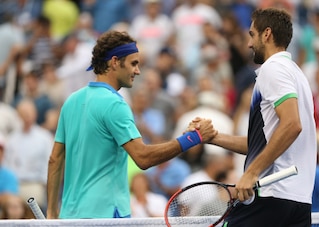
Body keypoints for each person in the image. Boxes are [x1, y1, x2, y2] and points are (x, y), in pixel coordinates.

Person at [46, 30, 217, 219]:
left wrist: (52, 210)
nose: (138, 71)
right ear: (114, 62)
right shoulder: (115, 104)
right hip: (106, 217)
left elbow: (55, 160)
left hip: (69, 217)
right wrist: (193, 138)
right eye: (133, 63)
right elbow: (143, 158)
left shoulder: (71, 101)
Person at [201, 8, 317, 226]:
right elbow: (268, 142)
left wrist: (251, 173)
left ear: (267, 34)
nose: (249, 44)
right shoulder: (297, 74)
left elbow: (292, 125)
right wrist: (214, 137)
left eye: (252, 34)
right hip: (299, 202)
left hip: (271, 195)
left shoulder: (272, 69)